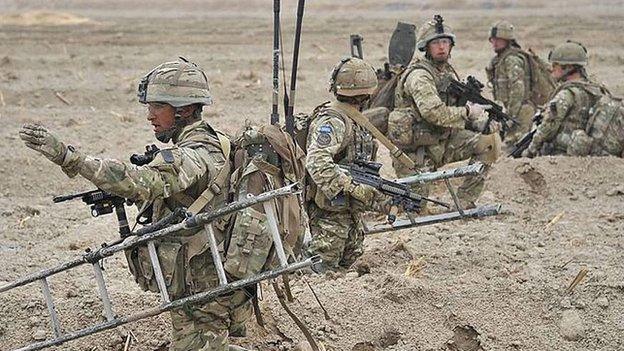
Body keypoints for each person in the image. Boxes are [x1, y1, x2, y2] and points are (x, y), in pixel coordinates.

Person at [19, 59, 252, 351]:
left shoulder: (194, 155)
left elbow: (141, 181)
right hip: (206, 276)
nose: (150, 116)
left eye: (157, 106)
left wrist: (71, 158)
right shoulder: (217, 142)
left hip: (202, 284)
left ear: (184, 109)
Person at [387, 15, 500, 209]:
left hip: (443, 143)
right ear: (426, 47)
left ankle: (464, 201)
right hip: (416, 155)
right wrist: (467, 113)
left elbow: (451, 111)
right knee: (415, 208)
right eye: (436, 43)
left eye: (445, 42)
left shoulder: (446, 73)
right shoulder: (419, 76)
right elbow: (434, 113)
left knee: (489, 144)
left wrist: (478, 123)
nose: (441, 47)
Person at [303, 57, 393, 271]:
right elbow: (317, 162)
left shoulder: (354, 119)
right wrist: (354, 187)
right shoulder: (333, 121)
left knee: (350, 263)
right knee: (321, 267)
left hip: (350, 210)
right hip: (331, 212)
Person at [523, 41, 613, 157]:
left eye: (556, 65)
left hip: (563, 153)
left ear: (568, 67)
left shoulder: (566, 94)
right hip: (588, 150)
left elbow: (548, 127)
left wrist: (530, 150)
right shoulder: (595, 88)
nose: (552, 68)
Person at [485, 20, 536, 144]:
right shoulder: (500, 59)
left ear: (508, 40)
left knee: (514, 146)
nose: (495, 43)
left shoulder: (512, 59)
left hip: (521, 111)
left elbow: (518, 89)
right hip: (512, 110)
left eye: (499, 39)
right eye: (493, 39)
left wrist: (510, 117)